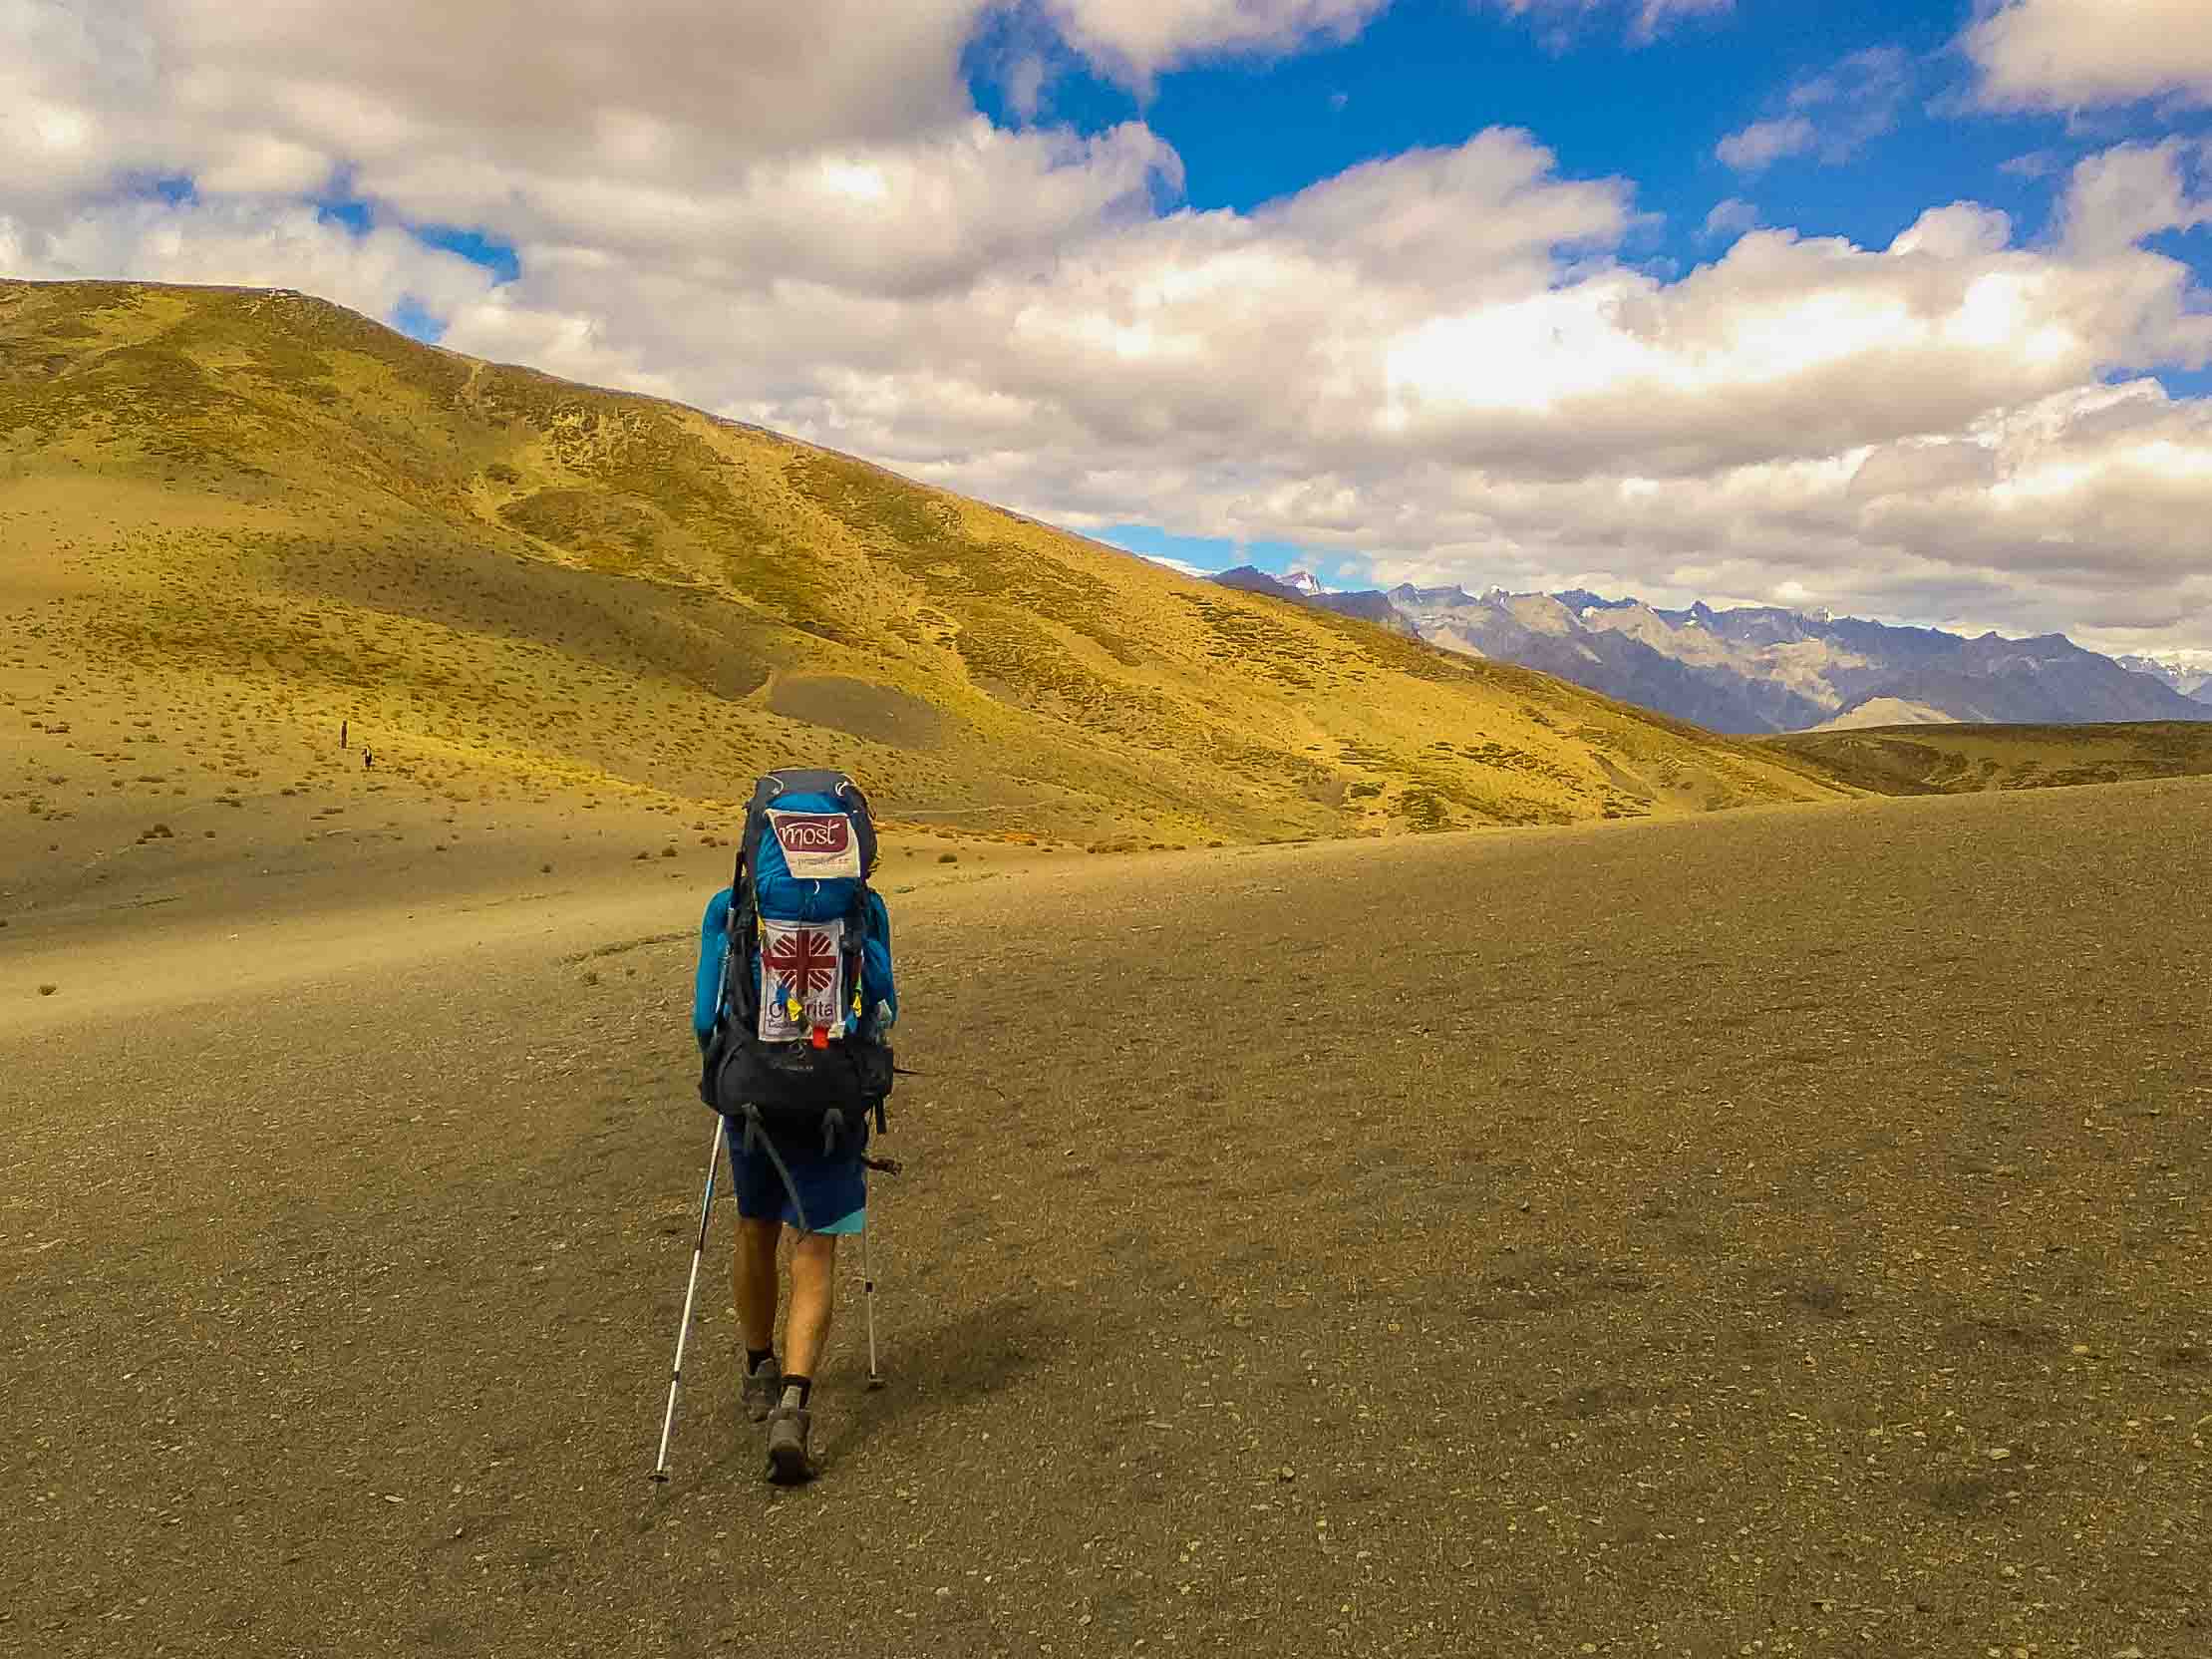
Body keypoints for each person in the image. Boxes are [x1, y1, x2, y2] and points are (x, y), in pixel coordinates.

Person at [692, 886, 869, 1485]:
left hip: (754, 1094)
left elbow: (705, 1017)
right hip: (830, 1100)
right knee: (814, 1245)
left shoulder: (730, 907)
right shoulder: (863, 908)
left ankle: (758, 1368)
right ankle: (793, 1405)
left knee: (756, 1225)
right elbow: (884, 1007)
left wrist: (722, 1072)